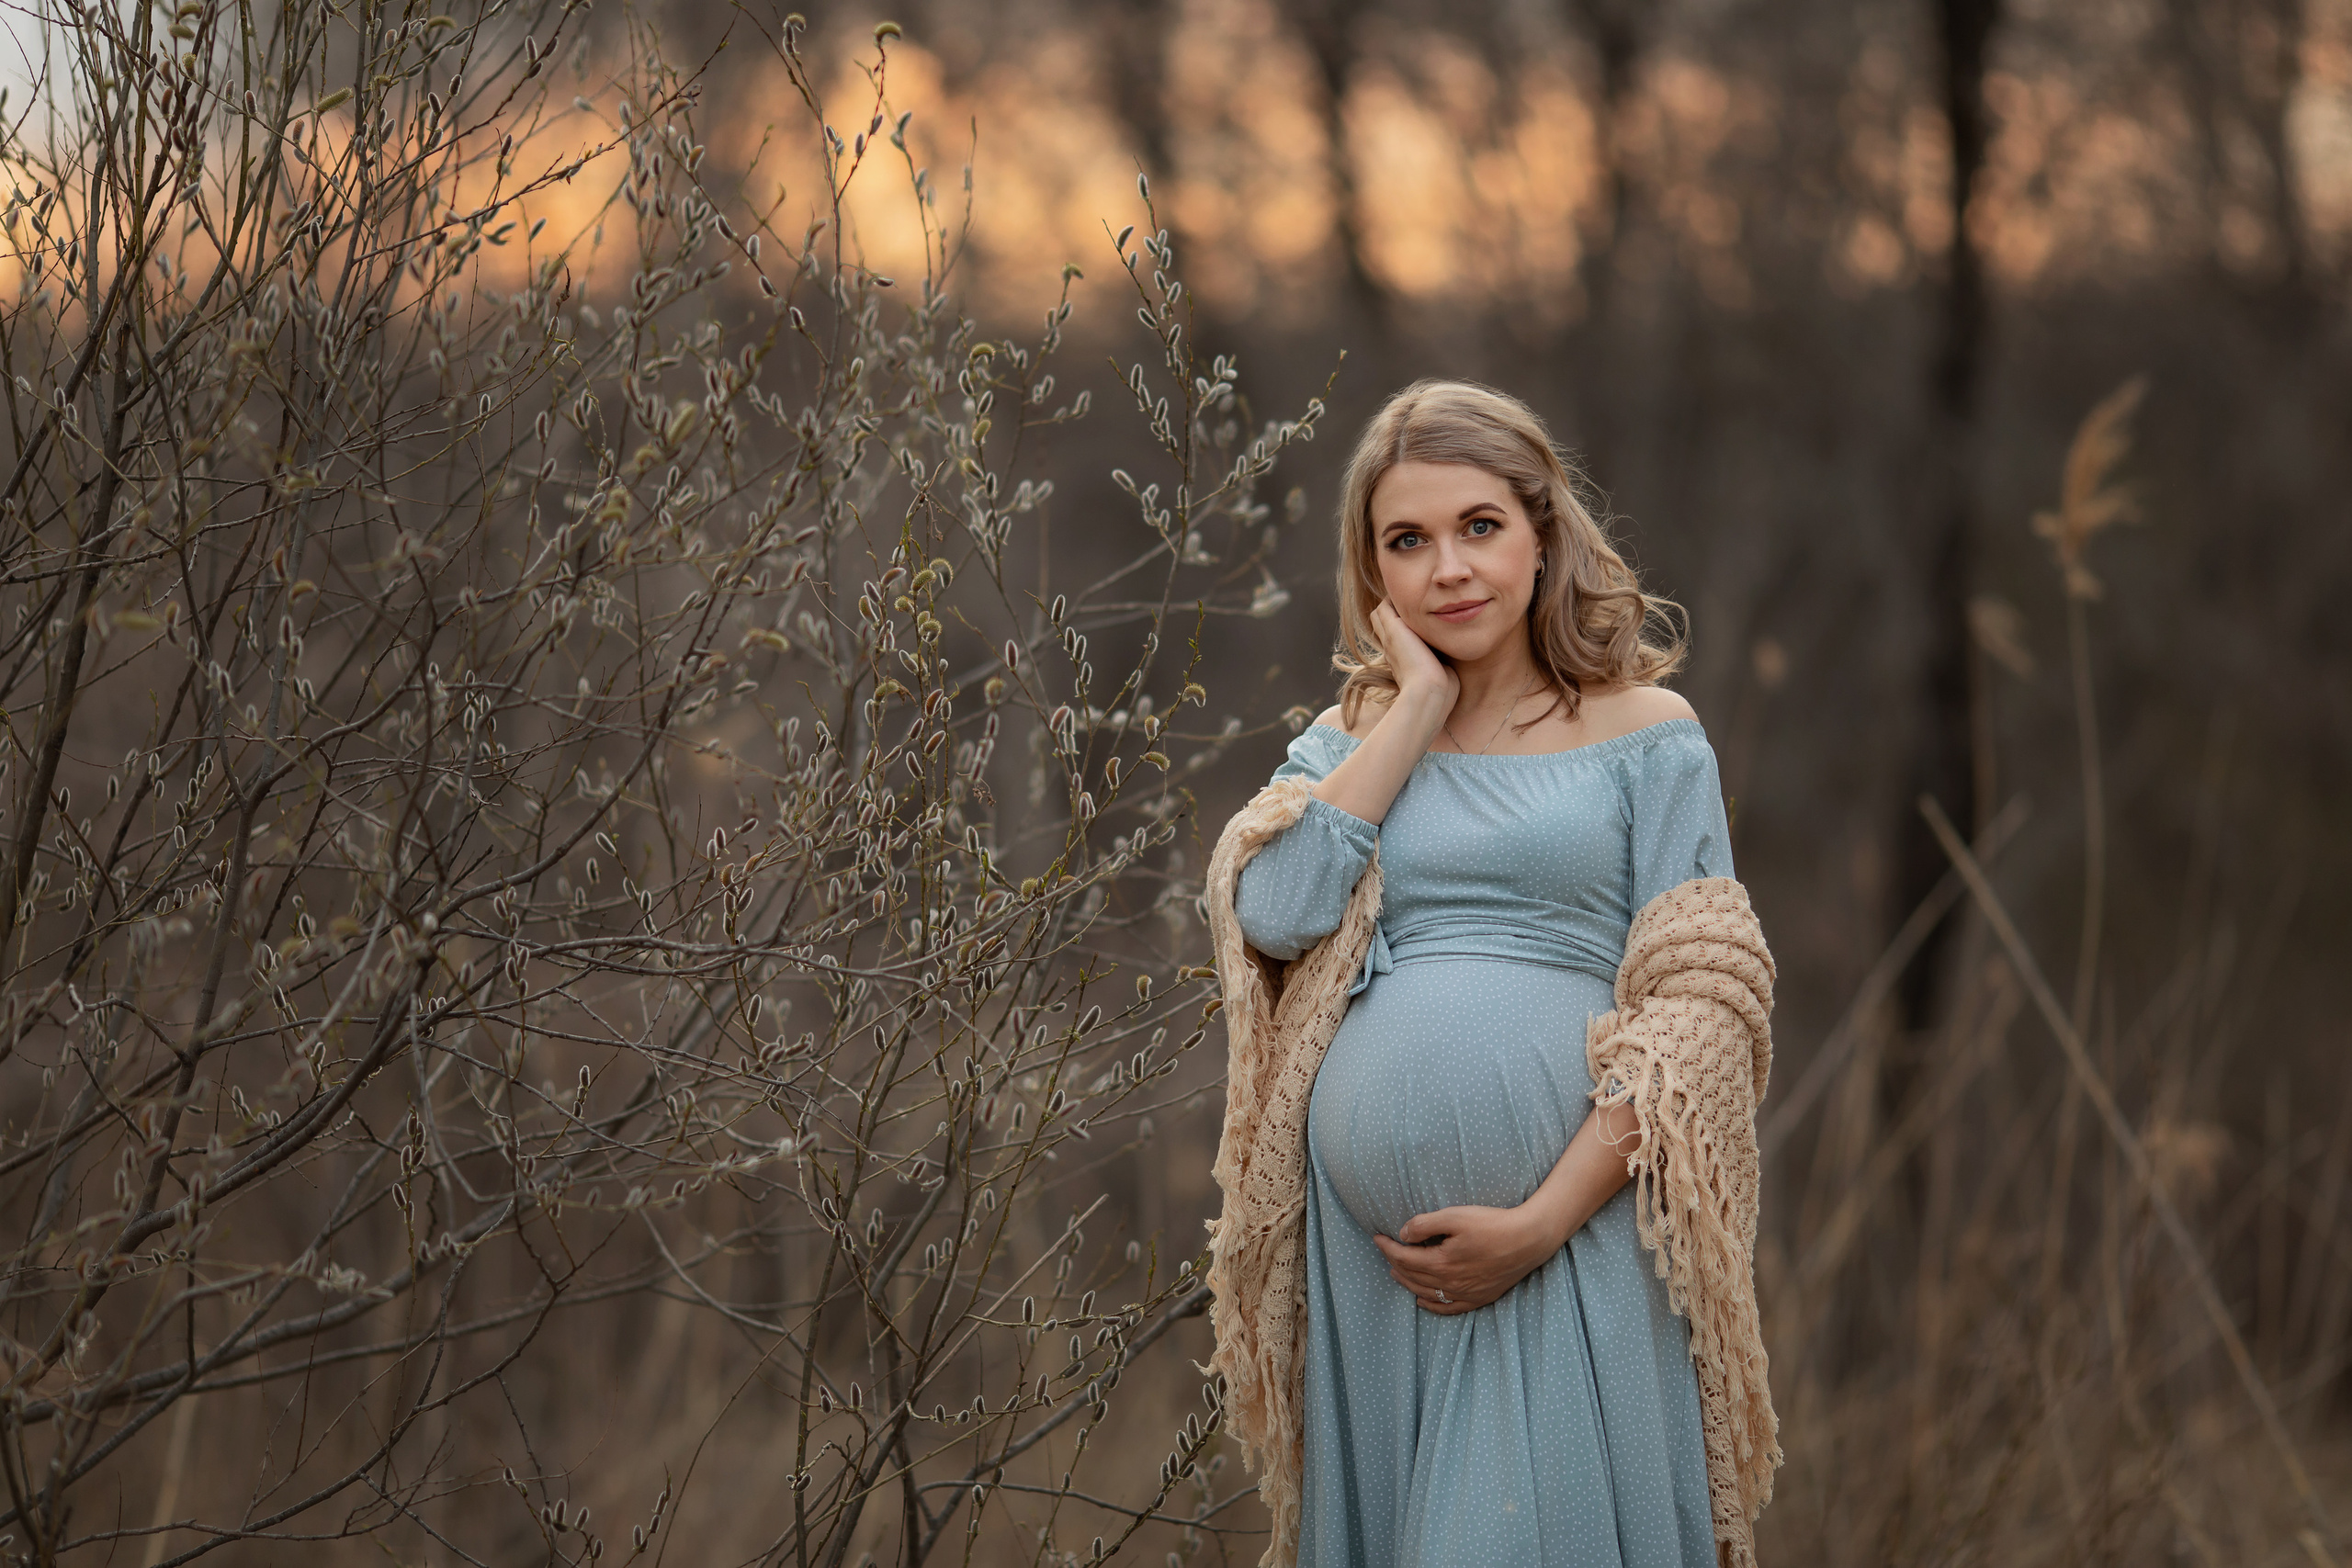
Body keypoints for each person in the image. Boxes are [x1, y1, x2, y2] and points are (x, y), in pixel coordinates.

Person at [1216, 380, 1771, 1567]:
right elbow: (1274, 912)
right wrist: (1415, 708)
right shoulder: (1351, 740)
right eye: (1406, 542)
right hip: (1376, 1285)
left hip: (1563, 1243)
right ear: (1373, 576)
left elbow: (1702, 1015)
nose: (1449, 569)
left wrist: (1537, 1223)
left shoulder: (1646, 732)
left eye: (1479, 527)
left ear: (1541, 534)